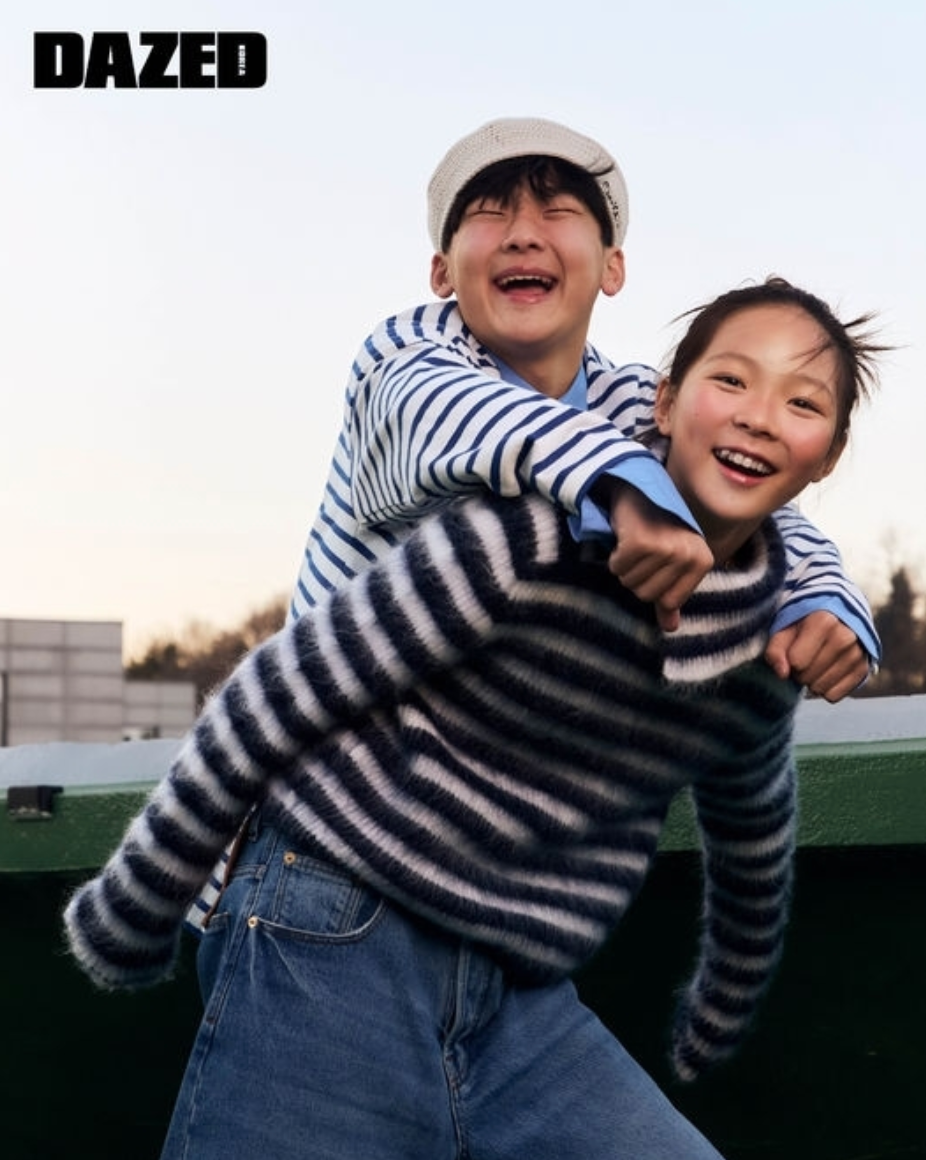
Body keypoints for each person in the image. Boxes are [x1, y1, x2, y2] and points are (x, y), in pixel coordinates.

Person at [65, 276, 883, 1160]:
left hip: (512, 995)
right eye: (731, 381)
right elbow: (283, 688)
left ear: (829, 455)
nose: (761, 416)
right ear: (665, 398)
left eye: (801, 403)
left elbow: (752, 823)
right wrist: (142, 893)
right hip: (334, 914)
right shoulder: (522, 540)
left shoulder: (770, 644)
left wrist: (724, 998)